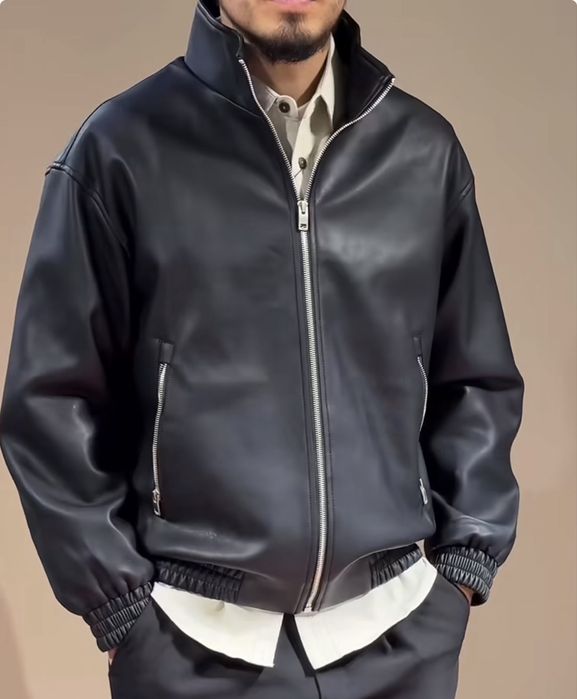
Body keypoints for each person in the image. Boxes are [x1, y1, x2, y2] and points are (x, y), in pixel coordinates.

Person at [0, 0, 525, 697]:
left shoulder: (423, 153)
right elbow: (49, 401)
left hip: (399, 641)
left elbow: (477, 379)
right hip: (193, 648)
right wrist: (121, 610)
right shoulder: (120, 150)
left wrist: (462, 571)